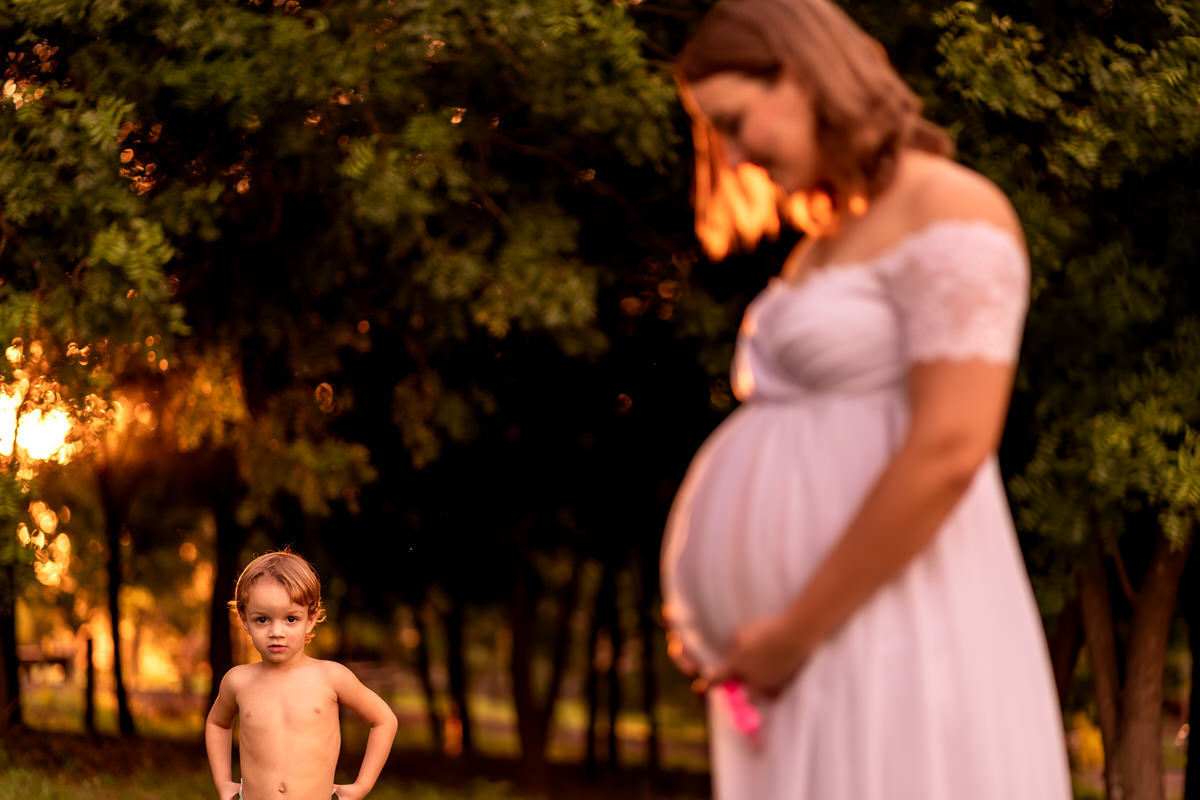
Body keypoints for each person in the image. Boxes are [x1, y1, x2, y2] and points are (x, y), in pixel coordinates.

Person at [658, 0, 1073, 797]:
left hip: (889, 623)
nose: (737, 154)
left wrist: (793, 629)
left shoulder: (952, 207)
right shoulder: (827, 238)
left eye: (739, 122)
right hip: (799, 652)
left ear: (807, 77)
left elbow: (951, 448)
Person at [206, 550, 398, 800]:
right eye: (262, 619)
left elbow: (384, 720)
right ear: (244, 619)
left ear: (310, 618)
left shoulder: (331, 677)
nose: (276, 631)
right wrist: (223, 783)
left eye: (290, 619)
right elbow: (217, 723)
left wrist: (361, 785)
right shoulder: (237, 681)